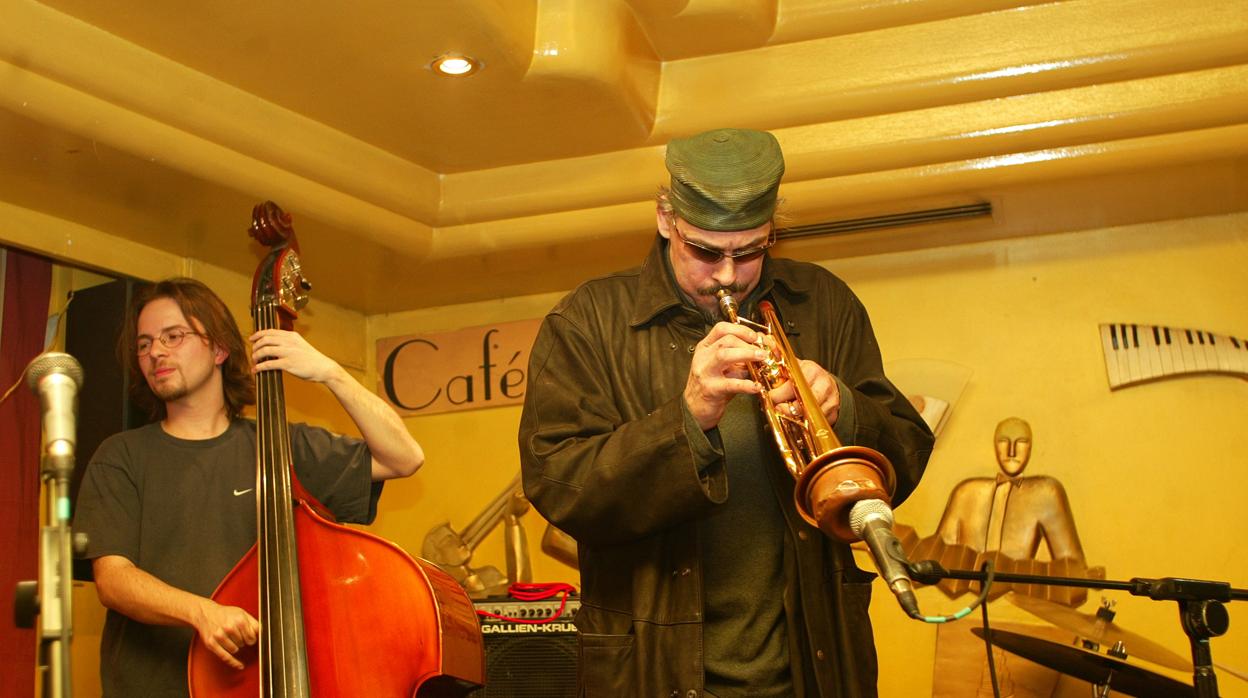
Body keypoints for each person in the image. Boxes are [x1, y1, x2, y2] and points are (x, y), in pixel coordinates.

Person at [518, 128, 934, 697]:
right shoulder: (588, 321)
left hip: (816, 668)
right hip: (652, 673)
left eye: (750, 252)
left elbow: (906, 454)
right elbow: (558, 484)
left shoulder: (825, 302)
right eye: (706, 251)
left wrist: (847, 408)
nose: (727, 275)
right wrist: (687, 419)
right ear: (666, 219)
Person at [74, 277, 424, 697]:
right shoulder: (121, 456)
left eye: (173, 336)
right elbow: (113, 580)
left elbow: (404, 457)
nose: (156, 353)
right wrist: (201, 612)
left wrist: (330, 373)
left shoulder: (280, 447)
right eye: (145, 344)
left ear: (219, 349)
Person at [909, 416, 1103, 606]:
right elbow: (938, 558)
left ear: (1031, 446)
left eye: (1021, 442)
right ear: (994, 445)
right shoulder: (966, 492)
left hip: (1026, 610)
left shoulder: (1047, 492)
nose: (1011, 451)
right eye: (1004, 441)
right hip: (962, 611)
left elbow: (1072, 569)